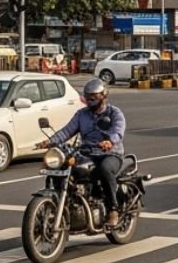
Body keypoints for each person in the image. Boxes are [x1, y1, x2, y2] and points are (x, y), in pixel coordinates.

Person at [39, 78, 127, 227]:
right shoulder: (81, 114)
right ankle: (66, 203)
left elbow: (118, 131)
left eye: (94, 96)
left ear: (103, 95)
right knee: (63, 167)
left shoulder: (114, 113)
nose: (90, 99)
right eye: (87, 96)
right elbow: (67, 131)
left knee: (104, 169)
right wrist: (49, 141)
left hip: (110, 154)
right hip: (87, 153)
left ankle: (113, 209)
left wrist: (110, 141)